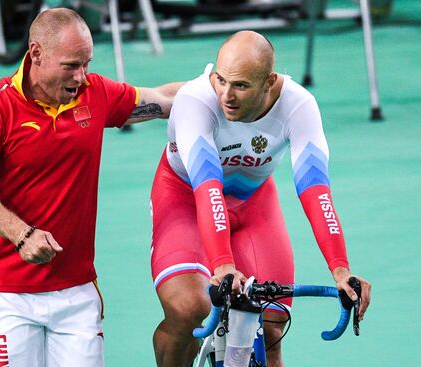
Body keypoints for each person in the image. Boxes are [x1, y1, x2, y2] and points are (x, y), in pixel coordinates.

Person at [0, 8, 181, 367]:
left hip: (76, 293)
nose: (81, 76)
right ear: (36, 53)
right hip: (8, 294)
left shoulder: (95, 94)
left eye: (86, 63)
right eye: (71, 65)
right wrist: (22, 234)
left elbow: (163, 100)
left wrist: (225, 84)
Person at [150, 30, 372, 367]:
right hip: (186, 199)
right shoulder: (195, 100)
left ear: (269, 82)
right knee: (189, 310)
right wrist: (223, 265)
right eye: (221, 80)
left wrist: (341, 270)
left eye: (240, 85)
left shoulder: (298, 105)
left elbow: (316, 190)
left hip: (254, 203)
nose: (227, 95)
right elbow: (207, 185)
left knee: (271, 327)